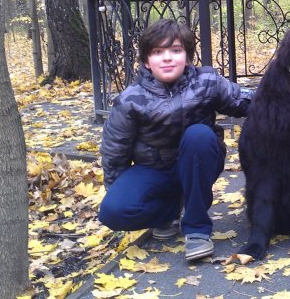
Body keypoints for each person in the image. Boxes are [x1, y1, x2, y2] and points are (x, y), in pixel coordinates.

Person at [98, 18, 252, 261]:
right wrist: (121, 193)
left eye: (176, 50)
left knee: (199, 134)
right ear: (147, 61)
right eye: (158, 52)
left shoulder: (207, 82)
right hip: (153, 171)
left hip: (198, 163)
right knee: (113, 212)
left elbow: (247, 102)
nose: (167, 57)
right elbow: (114, 151)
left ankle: (197, 230)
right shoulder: (130, 99)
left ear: (188, 57)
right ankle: (171, 211)